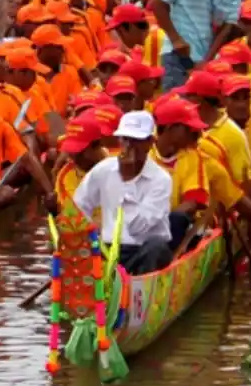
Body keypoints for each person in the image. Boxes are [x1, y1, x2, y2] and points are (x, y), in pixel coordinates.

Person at [72, 109, 174, 274]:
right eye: (126, 140)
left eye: (137, 140)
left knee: (156, 248)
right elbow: (78, 206)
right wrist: (90, 238)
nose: (130, 146)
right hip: (108, 250)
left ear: (150, 143)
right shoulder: (103, 169)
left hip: (143, 251)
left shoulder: (161, 180)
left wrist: (128, 180)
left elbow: (138, 228)